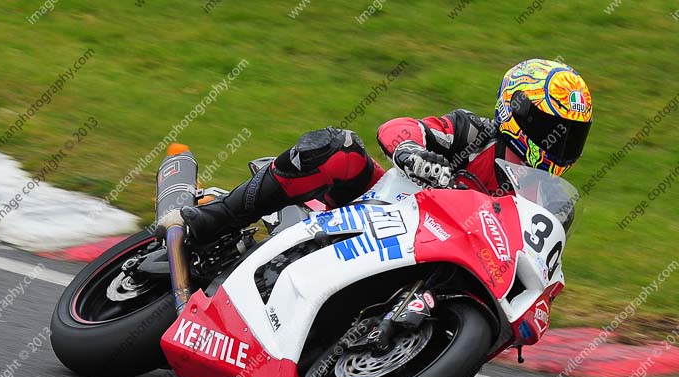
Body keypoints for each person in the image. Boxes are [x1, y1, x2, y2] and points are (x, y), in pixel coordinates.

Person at [181, 58, 593, 243]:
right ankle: (216, 218)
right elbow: (398, 128)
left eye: (573, 135)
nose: (561, 142)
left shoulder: (546, 199)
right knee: (340, 148)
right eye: (552, 128)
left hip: (443, 255)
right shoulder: (473, 134)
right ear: (515, 111)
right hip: (380, 213)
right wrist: (415, 155)